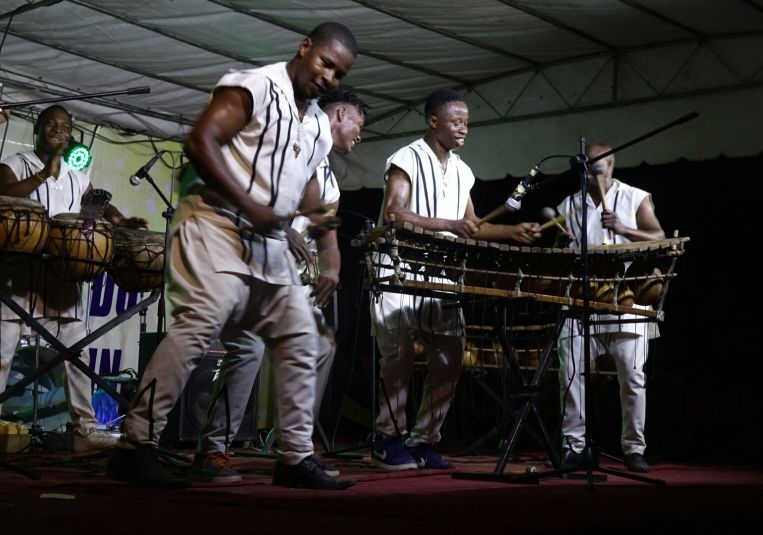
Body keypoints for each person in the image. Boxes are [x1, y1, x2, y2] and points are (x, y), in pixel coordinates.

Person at [106, 22, 359, 490]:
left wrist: (330, 247)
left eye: (338, 73)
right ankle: (134, 445)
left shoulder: (318, 125)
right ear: (305, 48)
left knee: (309, 338)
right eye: (325, 62)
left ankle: (294, 458)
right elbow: (200, 141)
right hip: (216, 222)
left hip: (267, 240)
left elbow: (308, 186)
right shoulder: (257, 86)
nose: (329, 76)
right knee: (201, 320)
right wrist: (251, 205)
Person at [190, 87, 367, 484]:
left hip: (286, 280)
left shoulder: (329, 178)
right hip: (247, 262)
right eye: (359, 123)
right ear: (339, 114)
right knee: (248, 348)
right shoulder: (286, 140)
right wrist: (282, 226)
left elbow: (324, 228)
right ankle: (212, 450)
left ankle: (295, 453)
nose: (360, 135)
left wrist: (328, 269)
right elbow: (236, 186)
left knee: (321, 346)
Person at [370, 88, 542, 471]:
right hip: (399, 266)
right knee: (397, 358)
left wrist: (511, 232)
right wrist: (450, 225)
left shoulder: (463, 170)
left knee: (450, 357)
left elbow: (472, 227)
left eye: (466, 121)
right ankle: (386, 439)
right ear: (434, 121)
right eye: (456, 121)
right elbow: (395, 215)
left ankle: (424, 440)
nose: (464, 128)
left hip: (442, 273)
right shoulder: (407, 158)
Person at [0, 104, 147, 452]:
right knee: (1, 356)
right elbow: (4, 195)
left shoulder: (76, 175)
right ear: (37, 129)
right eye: (50, 124)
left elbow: (95, 204)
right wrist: (41, 175)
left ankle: (86, 430)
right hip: (17, 279)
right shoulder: (14, 164)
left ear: (70, 135)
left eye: (64, 127)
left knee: (77, 355)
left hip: (61, 283)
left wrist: (120, 220)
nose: (57, 130)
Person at [556, 143, 665, 473]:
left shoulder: (635, 197)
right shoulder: (569, 204)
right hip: (583, 301)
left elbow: (658, 236)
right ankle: (572, 445)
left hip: (626, 300)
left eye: (598, 166)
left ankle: (633, 448)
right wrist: (559, 242)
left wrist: (624, 229)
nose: (592, 172)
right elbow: (563, 249)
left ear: (612, 164)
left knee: (632, 380)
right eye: (587, 167)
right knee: (570, 375)